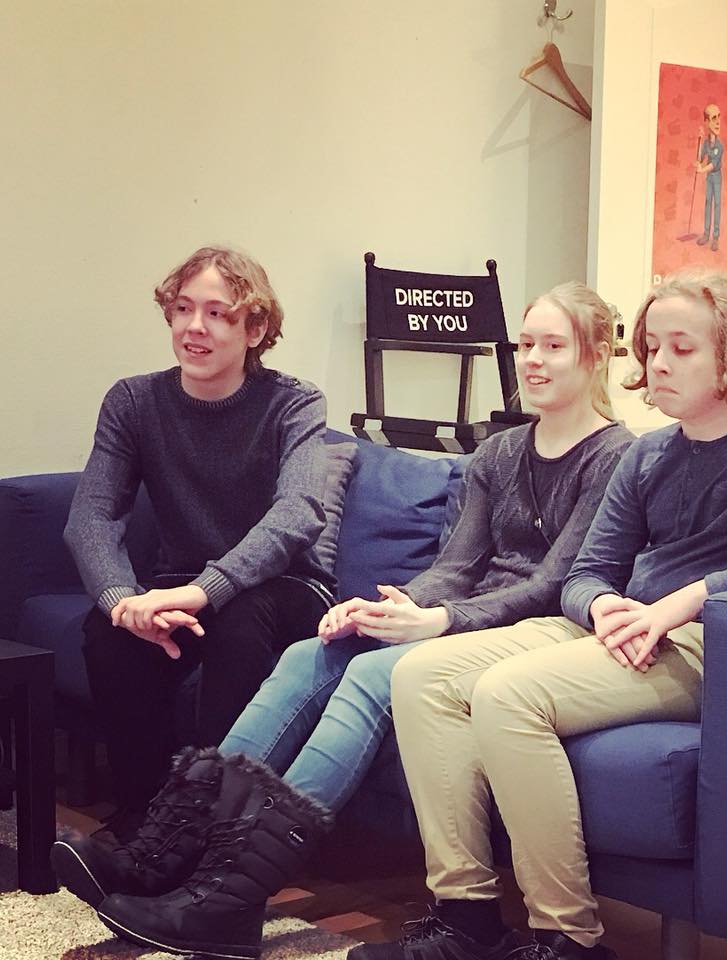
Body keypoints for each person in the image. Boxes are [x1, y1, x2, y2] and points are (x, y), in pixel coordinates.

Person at [53, 281, 636, 960]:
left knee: (372, 675)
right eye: (526, 344)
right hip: (459, 618)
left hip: (527, 634)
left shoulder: (617, 456)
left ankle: (232, 892)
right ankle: (165, 850)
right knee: (309, 655)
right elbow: (457, 563)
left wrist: (439, 621)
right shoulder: (499, 453)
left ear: (595, 355)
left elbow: (554, 584)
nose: (532, 360)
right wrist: (393, 605)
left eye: (553, 346)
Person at [348, 269, 727, 960]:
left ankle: (568, 938)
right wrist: (600, 602)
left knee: (507, 695)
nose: (659, 363)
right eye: (652, 347)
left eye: (682, 348)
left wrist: (693, 597)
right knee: (420, 675)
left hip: (715, 641)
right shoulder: (649, 453)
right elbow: (585, 572)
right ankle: (465, 917)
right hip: (626, 627)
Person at [62, 246, 334, 841]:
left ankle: (210, 826)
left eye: (217, 313)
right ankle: (142, 815)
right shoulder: (134, 401)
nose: (194, 327)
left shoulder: (294, 402)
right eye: (184, 309)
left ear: (254, 329)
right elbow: (91, 517)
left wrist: (203, 590)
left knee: (237, 616)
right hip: (182, 582)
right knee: (108, 633)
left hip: (287, 587)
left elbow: (299, 513)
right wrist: (121, 601)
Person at [696, 103, 723, 251]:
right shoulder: (706, 143)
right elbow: (700, 159)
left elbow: (712, 164)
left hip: (717, 177)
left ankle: (716, 237)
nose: (718, 121)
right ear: (706, 122)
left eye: (719, 117)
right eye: (713, 118)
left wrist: (702, 170)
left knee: (717, 204)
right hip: (709, 178)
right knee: (708, 203)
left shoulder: (720, 146)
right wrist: (699, 140)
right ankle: (706, 234)